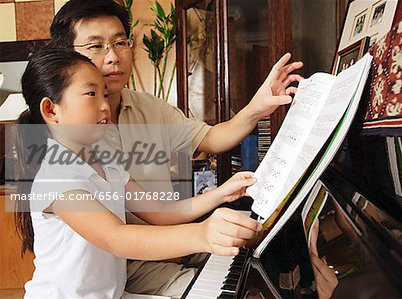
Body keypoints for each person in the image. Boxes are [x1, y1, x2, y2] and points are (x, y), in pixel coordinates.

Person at [48, 0, 304, 296]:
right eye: (95, 46)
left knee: (264, 240)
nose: (113, 57)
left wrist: (257, 108)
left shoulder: (147, 108)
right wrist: (198, 234)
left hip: (173, 236)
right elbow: (117, 238)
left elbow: (207, 146)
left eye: (120, 42)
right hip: (125, 266)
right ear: (67, 58)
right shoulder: (69, 146)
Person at [15, 48, 262, 298]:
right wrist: (202, 234)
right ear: (51, 110)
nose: (104, 106)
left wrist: (220, 194)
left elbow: (161, 212)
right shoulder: (57, 177)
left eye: (105, 93)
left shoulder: (104, 163)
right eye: (91, 94)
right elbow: (116, 238)